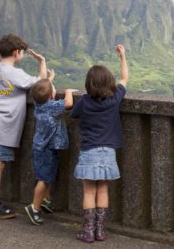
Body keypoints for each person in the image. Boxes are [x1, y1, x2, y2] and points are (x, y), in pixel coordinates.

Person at [0, 33, 47, 219]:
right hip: (5, 123)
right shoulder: (15, 73)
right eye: (22, 53)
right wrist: (42, 62)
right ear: (16, 52)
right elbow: (41, 84)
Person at [71, 44, 128, 242]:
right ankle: (100, 231)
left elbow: (73, 114)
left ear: (89, 84)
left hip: (89, 151)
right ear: (108, 83)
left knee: (89, 190)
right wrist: (122, 56)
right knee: (103, 189)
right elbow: (125, 79)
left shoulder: (85, 102)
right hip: (108, 152)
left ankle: (87, 232)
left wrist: (70, 95)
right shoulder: (114, 99)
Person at [24, 75, 76, 225]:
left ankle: (45, 200)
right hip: (48, 149)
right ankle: (34, 207)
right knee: (44, 179)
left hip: (40, 147)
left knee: (46, 175)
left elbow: (42, 91)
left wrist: (50, 79)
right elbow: (68, 103)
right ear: (51, 95)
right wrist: (68, 91)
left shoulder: (38, 105)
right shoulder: (52, 107)